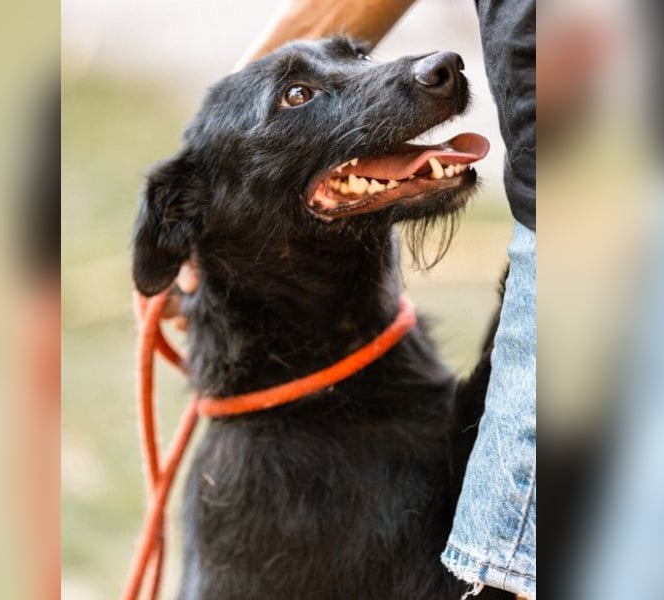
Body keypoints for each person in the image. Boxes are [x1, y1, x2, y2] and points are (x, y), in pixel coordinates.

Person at [167, 1, 536, 597]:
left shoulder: (379, 385)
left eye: (356, 59)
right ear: (199, 211)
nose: (432, 70)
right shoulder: (266, 483)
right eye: (295, 99)